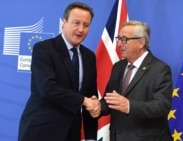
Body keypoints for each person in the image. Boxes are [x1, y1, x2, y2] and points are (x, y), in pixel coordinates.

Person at [18, 2, 99, 141]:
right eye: (76, 23)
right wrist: (83, 100)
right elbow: (47, 89)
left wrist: (91, 137)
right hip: (42, 131)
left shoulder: (89, 57)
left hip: (72, 133)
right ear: (64, 22)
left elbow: (90, 99)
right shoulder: (44, 49)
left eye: (86, 25)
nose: (81, 29)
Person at [90, 20, 173, 141]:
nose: (119, 44)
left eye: (124, 39)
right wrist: (98, 107)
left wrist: (129, 106)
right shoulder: (118, 67)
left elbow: (162, 106)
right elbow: (111, 100)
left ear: (141, 42)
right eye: (118, 39)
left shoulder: (160, 69)